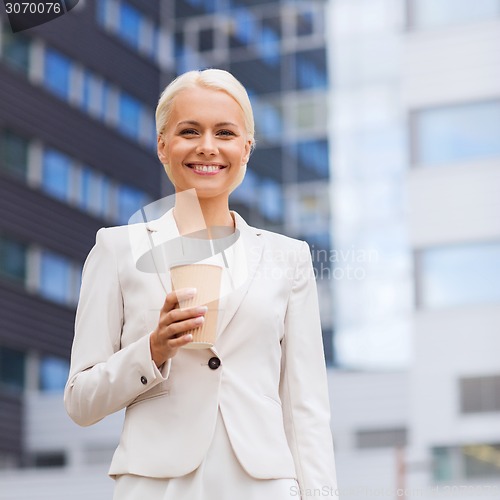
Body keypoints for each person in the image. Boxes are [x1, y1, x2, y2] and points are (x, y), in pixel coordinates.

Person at [64, 69, 338, 500]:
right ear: (162, 145)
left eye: (225, 133)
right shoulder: (116, 249)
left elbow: (306, 409)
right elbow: (80, 400)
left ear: (246, 148)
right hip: (156, 485)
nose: (207, 147)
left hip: (263, 485)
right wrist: (153, 350)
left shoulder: (289, 257)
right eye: (189, 131)